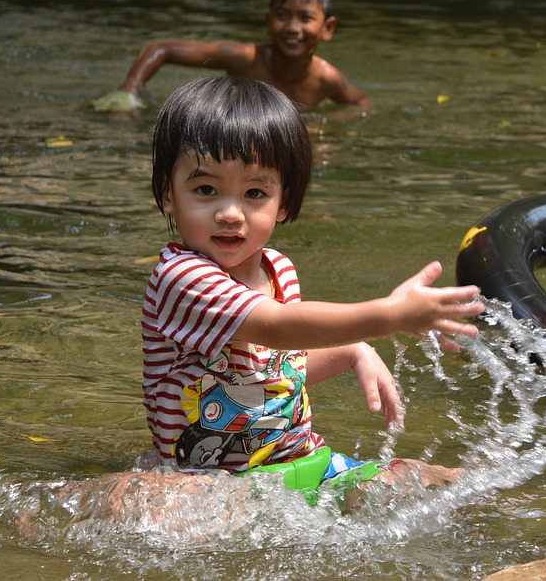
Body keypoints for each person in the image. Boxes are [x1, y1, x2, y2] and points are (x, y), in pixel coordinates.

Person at [142, 75, 483, 499]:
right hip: (206, 490)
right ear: (168, 194)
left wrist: (350, 350)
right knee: (144, 506)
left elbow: (272, 372)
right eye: (206, 189)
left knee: (424, 477)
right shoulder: (181, 278)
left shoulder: (279, 270)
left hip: (302, 465)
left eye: (254, 193)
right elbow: (279, 327)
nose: (230, 213)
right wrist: (389, 315)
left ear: (283, 202)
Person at [94, 0, 370, 116]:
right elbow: (161, 47)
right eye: (282, 15)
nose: (292, 28)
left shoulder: (325, 78)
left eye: (306, 18)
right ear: (268, 21)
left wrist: (325, 128)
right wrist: (129, 90)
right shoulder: (244, 58)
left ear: (327, 28)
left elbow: (362, 104)